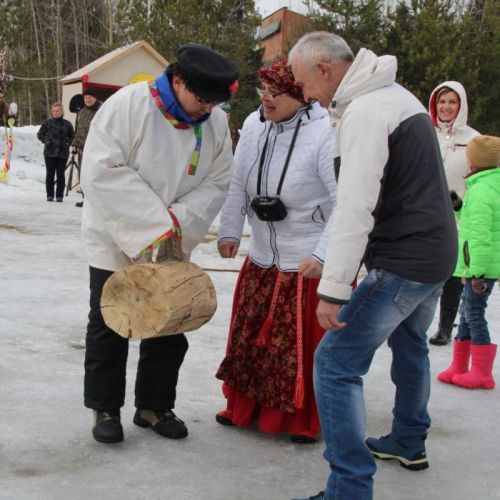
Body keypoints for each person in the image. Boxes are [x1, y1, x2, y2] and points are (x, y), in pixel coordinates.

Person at [288, 32, 457, 500]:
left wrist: (335, 286)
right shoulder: (394, 95)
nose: (305, 95)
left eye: (303, 83)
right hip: (435, 254)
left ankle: (349, 488)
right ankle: (408, 438)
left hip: (406, 259)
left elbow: (354, 207)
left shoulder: (364, 112)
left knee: (335, 364)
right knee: (410, 345)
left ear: (324, 69)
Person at [80, 43, 239, 444]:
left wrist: (176, 224)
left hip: (174, 237)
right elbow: (101, 171)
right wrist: (153, 224)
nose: (207, 109)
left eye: (215, 102)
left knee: (170, 321)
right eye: (202, 99)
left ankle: (154, 405)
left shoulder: (214, 121)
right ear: (178, 80)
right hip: (116, 235)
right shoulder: (128, 106)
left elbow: (218, 180)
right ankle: (105, 408)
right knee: (111, 321)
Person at [215, 58, 337, 442]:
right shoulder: (254, 124)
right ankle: (245, 408)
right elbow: (237, 182)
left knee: (293, 350)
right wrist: (231, 230)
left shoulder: (326, 132)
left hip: (303, 260)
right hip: (262, 254)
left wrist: (321, 256)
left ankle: (300, 421)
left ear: (301, 95)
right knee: (251, 339)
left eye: (274, 92)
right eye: (261, 90)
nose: (265, 99)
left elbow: (345, 202)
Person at [437, 134, 500, 389]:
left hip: (480, 269)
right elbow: (473, 222)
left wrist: (478, 272)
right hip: (474, 266)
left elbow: (483, 237)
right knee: (465, 313)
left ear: (474, 161)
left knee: (474, 314)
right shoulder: (481, 185)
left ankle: (482, 372)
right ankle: (460, 365)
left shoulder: (484, 190)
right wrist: (459, 206)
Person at [428, 81, 480, 346]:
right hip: (424, 213)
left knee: (452, 273)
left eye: (452, 102)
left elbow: (478, 180)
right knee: (418, 271)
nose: (446, 107)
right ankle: (405, 325)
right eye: (441, 102)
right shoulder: (425, 132)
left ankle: (445, 327)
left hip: (458, 214)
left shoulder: (473, 138)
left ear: (461, 105)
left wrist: (463, 204)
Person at [37, 103, 74, 202]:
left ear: (62, 112)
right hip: (49, 152)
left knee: (60, 174)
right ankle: (49, 195)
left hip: (62, 153)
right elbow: (40, 134)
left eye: (57, 111)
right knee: (50, 174)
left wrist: (67, 143)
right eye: (53, 111)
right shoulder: (47, 123)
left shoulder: (67, 124)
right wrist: (46, 141)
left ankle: (59, 196)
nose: (55, 113)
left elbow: (72, 136)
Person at [72, 88, 102, 207]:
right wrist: (75, 144)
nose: (88, 100)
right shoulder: (81, 112)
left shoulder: (102, 110)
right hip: (82, 149)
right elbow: (78, 130)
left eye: (90, 97)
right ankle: (85, 199)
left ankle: (96, 201)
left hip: (97, 148)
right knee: (83, 174)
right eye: (86, 98)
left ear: (95, 98)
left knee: (95, 174)